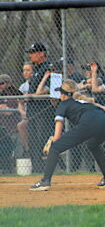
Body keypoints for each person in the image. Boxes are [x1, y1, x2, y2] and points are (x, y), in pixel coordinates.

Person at [30, 79, 105, 191]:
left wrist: (54, 143)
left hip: (88, 123)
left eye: (60, 92)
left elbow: (57, 135)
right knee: (93, 145)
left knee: (55, 147)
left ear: (63, 94)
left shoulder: (63, 104)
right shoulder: (86, 102)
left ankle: (45, 181)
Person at [25, 42, 55, 172]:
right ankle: (36, 169)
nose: (30, 55)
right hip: (33, 111)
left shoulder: (49, 68)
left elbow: (49, 89)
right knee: (33, 140)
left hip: (43, 110)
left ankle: (46, 169)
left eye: (33, 53)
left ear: (41, 54)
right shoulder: (36, 69)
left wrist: (33, 95)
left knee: (43, 138)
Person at [17, 62, 33, 157]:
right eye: (24, 70)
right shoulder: (23, 87)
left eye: (28, 70)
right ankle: (27, 149)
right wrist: (22, 112)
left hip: (35, 113)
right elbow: (20, 103)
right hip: (26, 115)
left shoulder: (35, 84)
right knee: (21, 125)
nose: (25, 72)